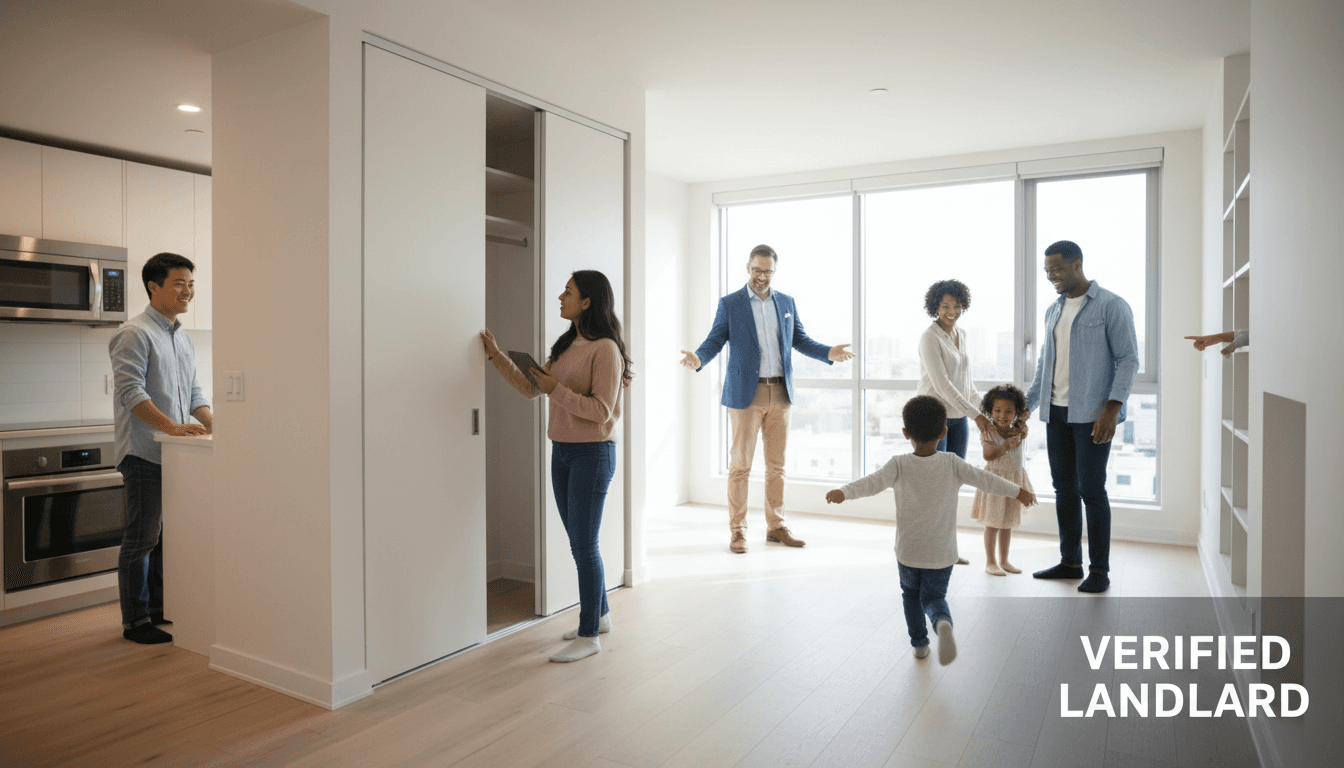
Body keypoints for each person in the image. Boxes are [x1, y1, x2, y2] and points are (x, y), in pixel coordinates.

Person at [480, 270, 631, 663]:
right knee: (579, 542)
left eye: (568, 292)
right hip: (562, 450)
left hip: (593, 454)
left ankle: (588, 635)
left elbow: (601, 411)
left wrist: (556, 390)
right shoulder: (566, 346)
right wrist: (495, 355)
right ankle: (600, 616)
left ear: (587, 302)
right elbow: (531, 388)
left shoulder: (606, 350)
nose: (560, 298)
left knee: (584, 545)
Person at [825, 395, 1036, 665]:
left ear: (905, 433)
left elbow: (871, 483)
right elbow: (987, 480)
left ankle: (920, 644)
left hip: (908, 552)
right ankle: (942, 622)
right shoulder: (952, 463)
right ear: (944, 432)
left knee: (911, 597)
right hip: (942, 554)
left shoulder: (898, 464)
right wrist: (1018, 491)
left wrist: (844, 491)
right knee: (934, 597)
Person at [681, 244, 855, 554]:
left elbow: (799, 339)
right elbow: (715, 339)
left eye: (768, 271)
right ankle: (738, 530)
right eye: (757, 270)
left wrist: (828, 352)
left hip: (781, 393)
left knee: (777, 467)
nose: (762, 277)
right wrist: (699, 358)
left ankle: (776, 526)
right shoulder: (731, 303)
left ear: (775, 271)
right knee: (740, 466)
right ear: (747, 267)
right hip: (746, 394)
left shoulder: (786, 302)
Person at [110, 252, 212, 644]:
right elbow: (131, 393)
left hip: (174, 454)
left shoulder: (181, 337)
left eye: (191, 284)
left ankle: (158, 608)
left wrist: (217, 426)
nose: (188, 291)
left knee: (166, 537)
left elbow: (194, 392)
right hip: (144, 452)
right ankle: (135, 622)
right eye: (178, 284)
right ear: (154, 287)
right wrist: (171, 427)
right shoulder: (134, 333)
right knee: (142, 539)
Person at [1026, 240, 1139, 594]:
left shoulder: (1111, 305)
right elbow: (1044, 363)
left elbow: (1128, 360)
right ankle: (1070, 562)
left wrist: (1112, 409)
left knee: (1091, 490)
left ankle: (1100, 571)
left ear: (1077, 264)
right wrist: (1027, 406)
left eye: (1057, 269)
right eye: (1047, 271)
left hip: (1092, 415)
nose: (1052, 276)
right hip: (1056, 413)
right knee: (1063, 490)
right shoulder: (1052, 310)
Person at [917, 278, 992, 565]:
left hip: (959, 419)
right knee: (933, 486)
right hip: (933, 418)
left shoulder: (962, 334)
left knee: (952, 485)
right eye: (945, 306)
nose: (952, 311)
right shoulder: (929, 337)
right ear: (935, 307)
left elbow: (966, 384)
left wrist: (984, 412)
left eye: (957, 306)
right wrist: (977, 416)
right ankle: (926, 548)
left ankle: (946, 547)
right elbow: (942, 385)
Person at [971, 384, 1033, 576]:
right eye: (997, 410)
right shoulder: (989, 432)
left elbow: (1025, 418)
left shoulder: (1019, 430)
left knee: (1007, 523)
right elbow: (988, 455)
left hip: (1013, 481)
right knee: (993, 524)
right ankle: (990, 562)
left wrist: (1022, 419)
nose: (1002, 416)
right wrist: (1004, 446)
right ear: (990, 411)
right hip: (995, 482)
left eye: (1009, 411)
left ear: (1016, 412)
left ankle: (1004, 560)